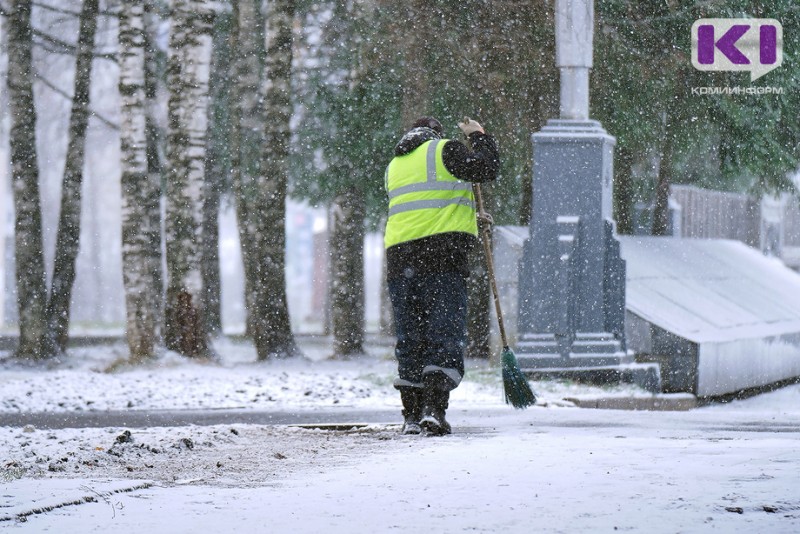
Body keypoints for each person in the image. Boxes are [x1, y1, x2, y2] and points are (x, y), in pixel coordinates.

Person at [384, 116, 500, 435]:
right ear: (436, 135)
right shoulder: (443, 150)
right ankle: (434, 411)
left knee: (411, 339)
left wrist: (474, 220)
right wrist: (478, 136)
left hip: (399, 259)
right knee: (443, 334)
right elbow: (485, 168)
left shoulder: (395, 165)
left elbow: (426, 208)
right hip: (440, 256)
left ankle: (411, 414)